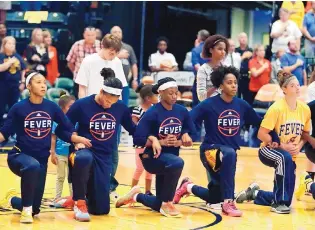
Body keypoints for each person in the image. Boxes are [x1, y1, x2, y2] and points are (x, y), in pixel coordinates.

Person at [173, 66, 279, 217]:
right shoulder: (208, 104)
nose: (234, 85)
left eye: (235, 82)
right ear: (221, 86)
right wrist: (184, 133)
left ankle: (188, 187)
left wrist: (274, 136)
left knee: (215, 198)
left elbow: (259, 122)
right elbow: (188, 119)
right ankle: (229, 202)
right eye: (229, 83)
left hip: (228, 156)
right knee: (229, 154)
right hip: (210, 151)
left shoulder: (241, 105)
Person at [0, 71, 91, 224]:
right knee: (32, 167)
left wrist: (76, 139)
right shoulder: (18, 108)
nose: (43, 85)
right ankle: (26, 211)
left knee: (36, 208)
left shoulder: (52, 107)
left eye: (44, 82)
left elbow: (66, 127)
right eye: (38, 82)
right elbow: (5, 132)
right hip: (19, 156)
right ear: (29, 86)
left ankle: (15, 200)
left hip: (41, 161)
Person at [54, 68, 135, 221]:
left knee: (101, 210)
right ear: (101, 92)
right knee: (84, 159)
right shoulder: (81, 105)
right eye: (107, 100)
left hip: (104, 157)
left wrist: (151, 137)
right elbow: (60, 130)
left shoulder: (120, 108)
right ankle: (79, 202)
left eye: (113, 102)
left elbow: (133, 130)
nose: (109, 105)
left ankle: (73, 198)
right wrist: (75, 139)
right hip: (83, 151)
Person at [116, 77, 195, 218]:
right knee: (178, 162)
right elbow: (138, 138)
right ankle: (167, 203)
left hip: (169, 160)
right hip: (151, 158)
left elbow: (192, 133)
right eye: (170, 93)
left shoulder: (182, 111)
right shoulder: (152, 113)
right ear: (161, 93)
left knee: (158, 202)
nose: (174, 96)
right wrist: (158, 141)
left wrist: (185, 136)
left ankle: (137, 196)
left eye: (176, 93)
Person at [236, 70, 311, 214]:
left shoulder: (305, 109)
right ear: (284, 89)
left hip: (290, 155)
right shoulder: (276, 108)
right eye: (293, 86)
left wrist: (299, 146)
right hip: (268, 149)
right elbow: (261, 134)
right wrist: (283, 146)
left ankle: (255, 194)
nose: (298, 88)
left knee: (287, 197)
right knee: (284, 159)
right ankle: (278, 205)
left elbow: (305, 134)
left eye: (298, 85)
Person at [75, 34, 128, 198]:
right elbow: (82, 87)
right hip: (92, 111)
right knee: (89, 150)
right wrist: (82, 109)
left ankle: (109, 186)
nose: (113, 55)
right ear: (102, 47)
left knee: (112, 151)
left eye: (116, 52)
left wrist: (120, 110)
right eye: (111, 52)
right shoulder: (89, 61)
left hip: (111, 112)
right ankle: (88, 187)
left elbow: (122, 89)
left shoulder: (117, 62)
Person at [131, 84, 158, 195]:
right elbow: (134, 127)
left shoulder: (154, 110)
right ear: (148, 98)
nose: (158, 97)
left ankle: (148, 191)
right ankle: (132, 191)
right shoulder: (137, 110)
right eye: (156, 95)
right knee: (140, 168)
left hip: (151, 145)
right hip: (141, 145)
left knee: (150, 169)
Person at [50, 91, 75, 200]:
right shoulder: (56, 122)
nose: (73, 109)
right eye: (70, 106)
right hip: (60, 154)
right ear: (62, 108)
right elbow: (53, 138)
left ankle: (74, 198)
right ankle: (57, 198)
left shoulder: (74, 120)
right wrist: (52, 152)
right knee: (60, 177)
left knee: (72, 177)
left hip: (71, 154)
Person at [67, 27, 101, 98]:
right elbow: (70, 62)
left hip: (96, 80)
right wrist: (77, 72)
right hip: (79, 80)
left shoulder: (101, 45)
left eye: (92, 35)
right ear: (84, 35)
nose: (90, 37)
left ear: (96, 35)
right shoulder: (77, 45)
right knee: (79, 102)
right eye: (88, 35)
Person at [0, 36, 26, 127]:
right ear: (4, 45)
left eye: (13, 44)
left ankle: (12, 129)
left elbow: (23, 69)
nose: (12, 45)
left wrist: (23, 82)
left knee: (14, 108)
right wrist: (9, 62)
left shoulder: (17, 57)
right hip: (2, 86)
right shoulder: (1, 56)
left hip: (15, 86)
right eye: (9, 43)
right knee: (1, 108)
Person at [196, 35, 229, 102]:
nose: (223, 52)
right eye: (220, 49)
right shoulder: (203, 69)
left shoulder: (227, 69)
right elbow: (201, 97)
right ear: (211, 50)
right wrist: (216, 85)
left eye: (224, 49)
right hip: (209, 106)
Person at [191, 29, 210, 107]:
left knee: (197, 102)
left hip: (200, 78)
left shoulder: (195, 50)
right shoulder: (212, 49)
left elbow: (197, 66)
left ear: (199, 37)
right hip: (211, 78)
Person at [235, 32, 253, 104]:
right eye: (242, 37)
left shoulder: (250, 50)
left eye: (245, 37)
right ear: (238, 39)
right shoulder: (235, 50)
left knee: (247, 98)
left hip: (248, 76)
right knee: (237, 97)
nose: (244, 39)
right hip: (238, 75)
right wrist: (243, 57)